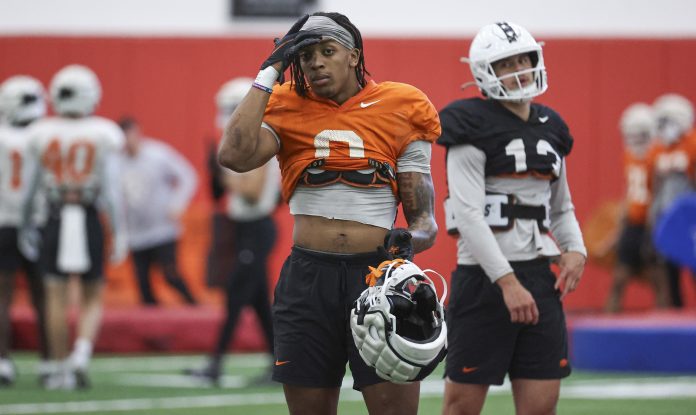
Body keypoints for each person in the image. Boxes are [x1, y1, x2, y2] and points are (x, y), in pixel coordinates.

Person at [217, 12, 441, 414]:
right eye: (304, 56)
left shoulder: (403, 104)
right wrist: (268, 73)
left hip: (376, 276)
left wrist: (410, 243)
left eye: (327, 51)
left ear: (353, 55)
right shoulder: (286, 103)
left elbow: (423, 218)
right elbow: (232, 155)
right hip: (307, 278)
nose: (315, 62)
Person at [437, 22, 587, 415]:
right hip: (485, 279)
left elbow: (561, 206)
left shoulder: (551, 125)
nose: (521, 69)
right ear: (487, 72)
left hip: (539, 275)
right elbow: (468, 214)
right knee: (461, 407)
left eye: (525, 59)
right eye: (508, 64)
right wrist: (506, 282)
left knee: (541, 406)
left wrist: (575, 250)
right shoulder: (468, 122)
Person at [20, 64, 127, 390]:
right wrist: (120, 230)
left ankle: (56, 367)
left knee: (54, 294)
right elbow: (111, 189)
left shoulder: (39, 132)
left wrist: (26, 222)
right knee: (92, 293)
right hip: (89, 211)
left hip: (54, 213)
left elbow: (30, 187)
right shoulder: (104, 132)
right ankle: (80, 353)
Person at [186, 77, 279, 385]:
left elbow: (251, 191)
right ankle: (279, 363)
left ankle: (215, 363)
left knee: (237, 298)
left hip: (256, 227)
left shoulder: (261, 137)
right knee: (258, 303)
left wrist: (222, 175)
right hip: (246, 228)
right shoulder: (251, 139)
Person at [0, 75, 50, 386]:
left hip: (4, 221)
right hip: (40, 222)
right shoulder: (46, 135)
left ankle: (3, 359)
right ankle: (50, 360)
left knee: (3, 297)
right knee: (45, 296)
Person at [118, 117, 198, 306]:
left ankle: (195, 307)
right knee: (143, 285)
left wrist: (177, 204)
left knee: (170, 274)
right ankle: (152, 331)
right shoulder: (117, 162)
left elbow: (187, 176)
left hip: (162, 229)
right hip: (136, 233)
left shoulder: (158, 154)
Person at [606, 102, 669, 312]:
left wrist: (657, 224)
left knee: (658, 278)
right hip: (633, 223)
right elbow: (629, 192)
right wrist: (620, 227)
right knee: (619, 277)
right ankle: (609, 328)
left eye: (641, 134)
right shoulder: (629, 155)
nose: (636, 139)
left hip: (653, 223)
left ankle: (665, 328)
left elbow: (661, 192)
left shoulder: (659, 155)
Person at [647, 93, 696, 308]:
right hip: (667, 216)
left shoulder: (692, 143)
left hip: (690, 218)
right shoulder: (656, 149)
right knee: (669, 269)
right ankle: (676, 314)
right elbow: (655, 187)